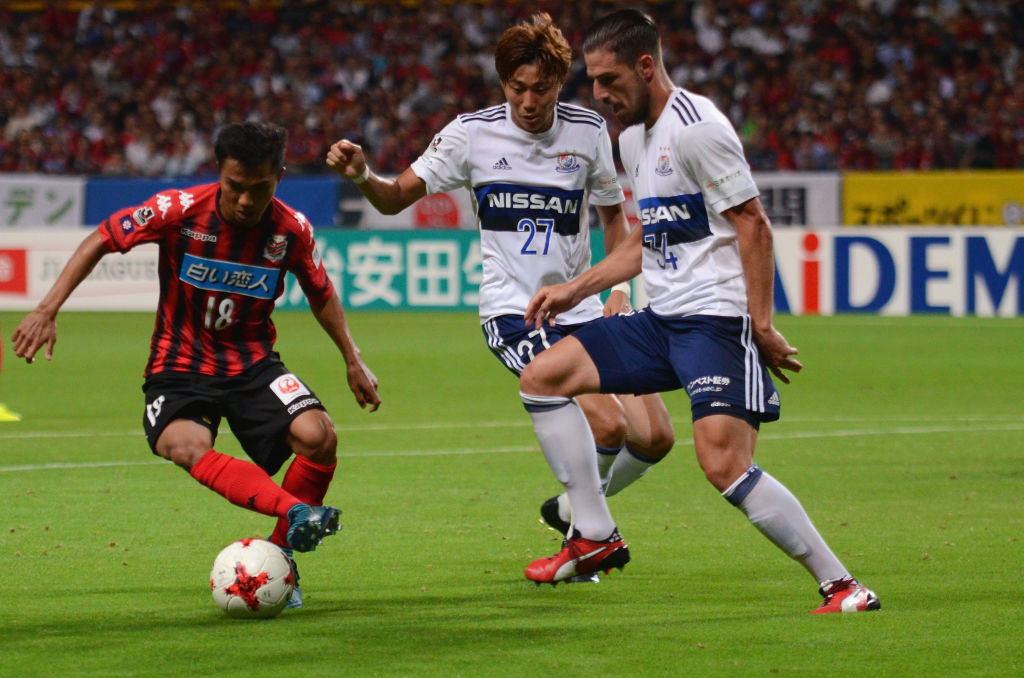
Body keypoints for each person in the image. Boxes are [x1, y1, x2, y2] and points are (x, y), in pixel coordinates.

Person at [520, 9, 880, 614]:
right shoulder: (632, 138)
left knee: (724, 465)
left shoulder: (697, 128)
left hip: (713, 321)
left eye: (609, 81)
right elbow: (644, 240)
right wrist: (579, 289)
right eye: (593, 83)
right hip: (658, 323)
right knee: (543, 378)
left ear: (646, 66)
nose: (600, 95)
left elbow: (752, 224)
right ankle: (593, 530)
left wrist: (759, 325)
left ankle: (842, 585)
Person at [325, 12, 674, 577]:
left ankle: (570, 511)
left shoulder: (588, 132)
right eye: (517, 88)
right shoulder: (471, 134)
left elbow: (614, 218)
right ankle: (593, 534)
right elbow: (392, 200)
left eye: (541, 89)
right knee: (608, 426)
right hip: (516, 314)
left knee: (655, 438)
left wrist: (619, 292)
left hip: (582, 307)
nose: (529, 101)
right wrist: (364, 174)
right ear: (502, 82)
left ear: (561, 84)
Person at [11, 121, 381, 608]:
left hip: (253, 364)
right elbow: (103, 237)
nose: (247, 201)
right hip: (180, 364)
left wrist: (353, 360)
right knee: (182, 443)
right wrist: (46, 309)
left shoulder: (291, 230)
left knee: (320, 437)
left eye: (260, 188)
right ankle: (296, 512)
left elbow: (321, 292)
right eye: (235, 187)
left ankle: (280, 559)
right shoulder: (177, 211)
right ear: (218, 173)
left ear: (280, 176)